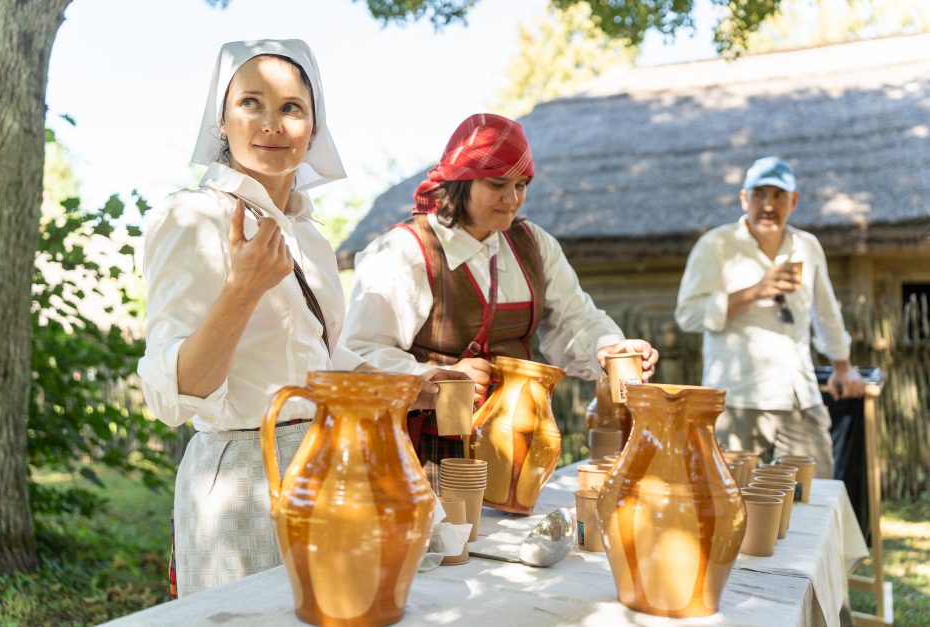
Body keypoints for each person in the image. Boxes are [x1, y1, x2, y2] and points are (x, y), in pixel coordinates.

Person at [137, 39, 455, 597]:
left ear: (313, 128)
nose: (272, 125)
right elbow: (175, 395)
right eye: (251, 103)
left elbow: (323, 363)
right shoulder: (192, 217)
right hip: (242, 478)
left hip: (329, 466)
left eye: (291, 108)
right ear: (221, 120)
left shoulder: (308, 236)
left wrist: (405, 385)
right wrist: (241, 291)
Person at [341, 113, 659, 471]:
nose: (512, 199)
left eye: (521, 185)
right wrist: (428, 380)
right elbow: (360, 352)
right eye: (497, 185)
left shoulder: (533, 244)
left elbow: (575, 318)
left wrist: (608, 347)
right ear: (461, 182)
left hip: (519, 448)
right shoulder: (405, 252)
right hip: (425, 456)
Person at [675, 156, 865, 478]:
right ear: (743, 198)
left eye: (778, 195)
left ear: (794, 201)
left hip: (797, 395)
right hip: (736, 398)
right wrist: (756, 291)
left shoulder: (807, 246)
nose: (768, 205)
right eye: (759, 194)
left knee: (816, 493)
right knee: (730, 501)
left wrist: (843, 367)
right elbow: (688, 315)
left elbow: (826, 311)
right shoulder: (716, 245)